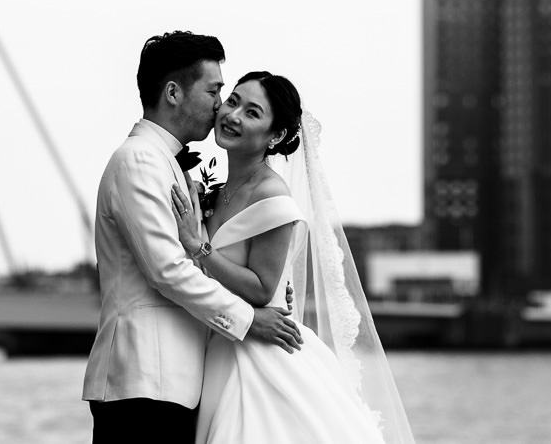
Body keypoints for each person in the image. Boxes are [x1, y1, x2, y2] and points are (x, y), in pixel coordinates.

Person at [168, 71, 417, 444]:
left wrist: (196, 245)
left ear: (276, 136)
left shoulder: (272, 195)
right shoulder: (217, 191)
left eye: (253, 113)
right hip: (220, 342)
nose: (233, 115)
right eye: (233, 101)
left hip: (256, 353)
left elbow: (262, 287)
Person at [82, 32, 304, 444]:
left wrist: (271, 294)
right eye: (216, 91)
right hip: (144, 381)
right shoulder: (139, 161)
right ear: (173, 93)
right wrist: (251, 319)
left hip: (178, 383)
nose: (221, 106)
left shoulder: (171, 166)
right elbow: (167, 269)